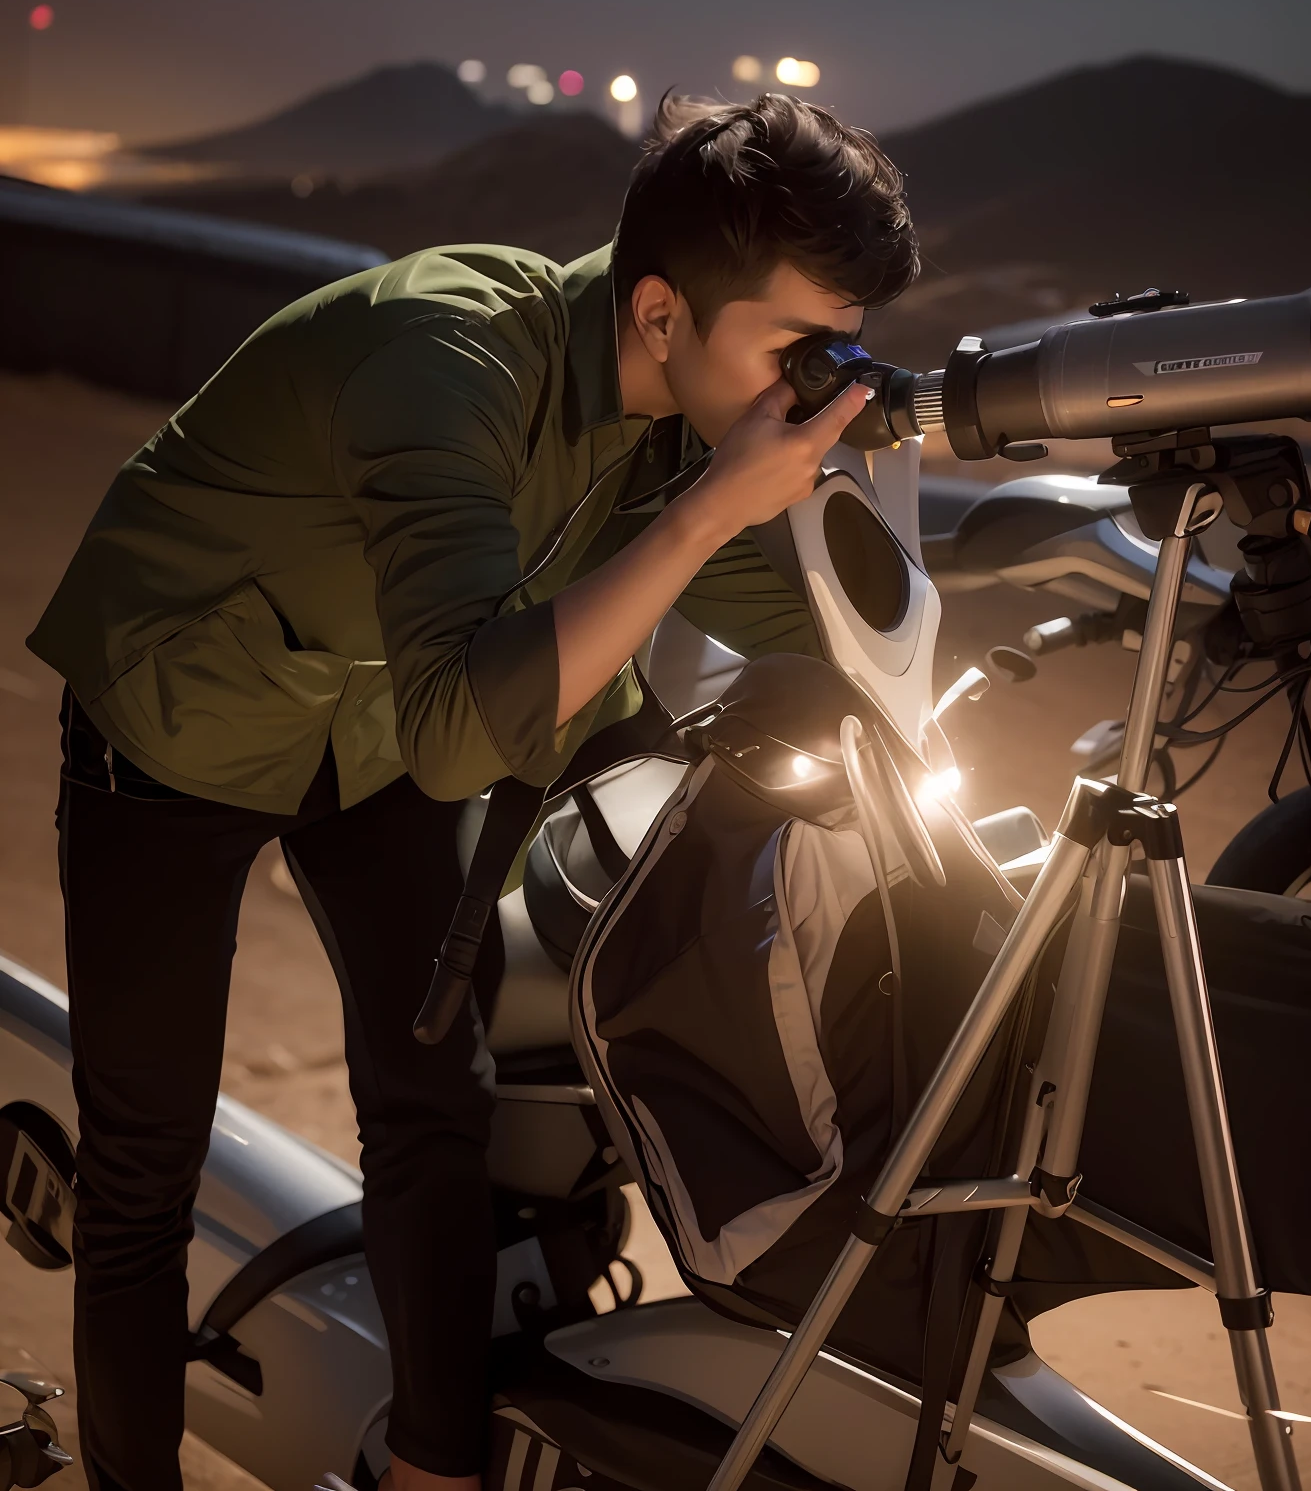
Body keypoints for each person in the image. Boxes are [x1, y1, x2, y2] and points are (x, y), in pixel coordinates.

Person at [27, 89, 919, 1491]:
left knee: (436, 1095)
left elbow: (829, 630)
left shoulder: (688, 410)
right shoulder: (446, 356)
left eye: (848, 350)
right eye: (801, 350)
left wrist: (875, 489)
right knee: (145, 1164)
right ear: (667, 313)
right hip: (179, 710)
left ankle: (435, 1470)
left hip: (373, 714)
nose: (818, 386)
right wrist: (701, 514)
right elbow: (462, 734)